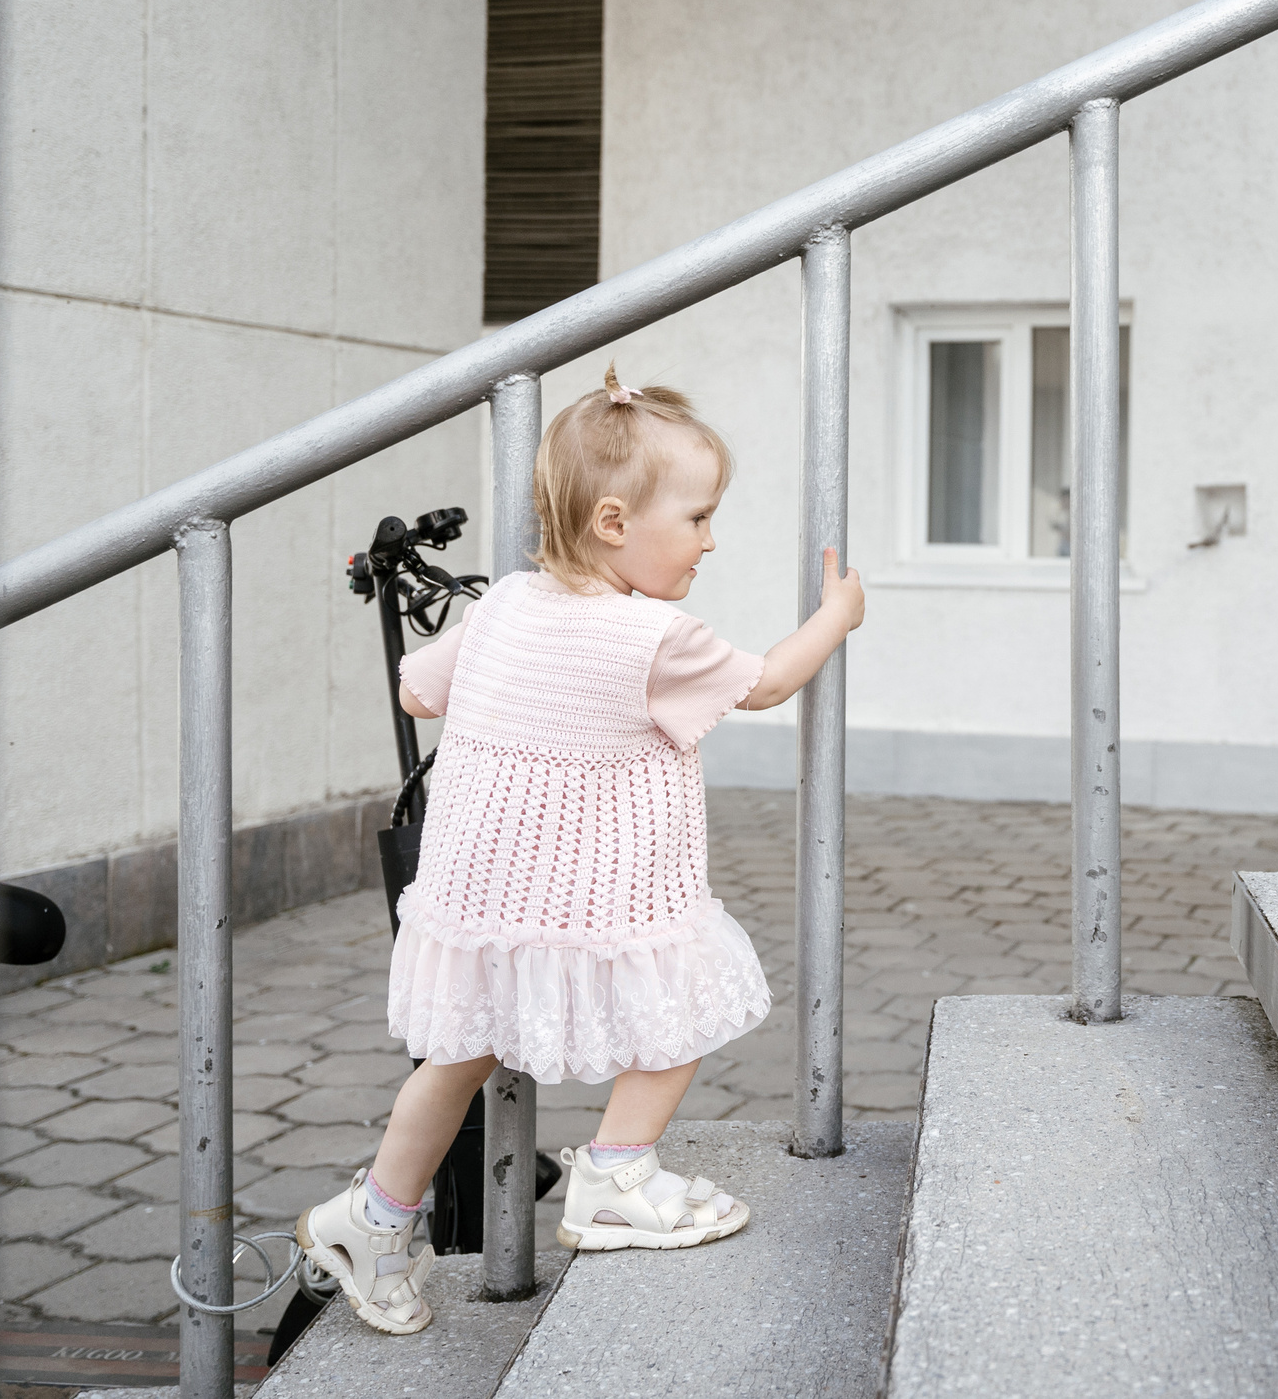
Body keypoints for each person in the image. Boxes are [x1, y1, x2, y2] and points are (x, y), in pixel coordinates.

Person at [295, 364, 865, 1335]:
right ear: (613, 523)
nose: (709, 539)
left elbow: (413, 690)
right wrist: (835, 617)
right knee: (681, 1004)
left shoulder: (510, 604)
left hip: (480, 898)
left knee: (453, 1062)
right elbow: (766, 684)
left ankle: (374, 1218)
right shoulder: (654, 636)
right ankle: (613, 1175)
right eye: (695, 518)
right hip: (599, 895)